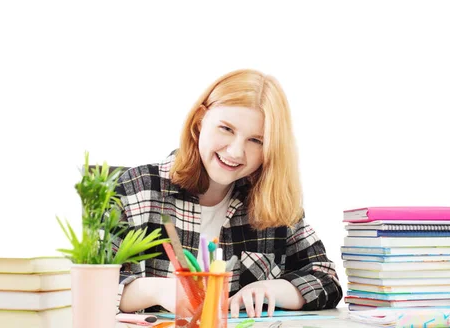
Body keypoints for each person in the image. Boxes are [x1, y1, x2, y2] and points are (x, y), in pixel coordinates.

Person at [113, 69, 342, 318]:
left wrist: (272, 289)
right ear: (200, 120)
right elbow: (85, 284)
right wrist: (156, 291)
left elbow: (326, 278)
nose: (235, 152)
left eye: (256, 141)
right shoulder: (140, 188)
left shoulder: (271, 200)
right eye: (226, 129)